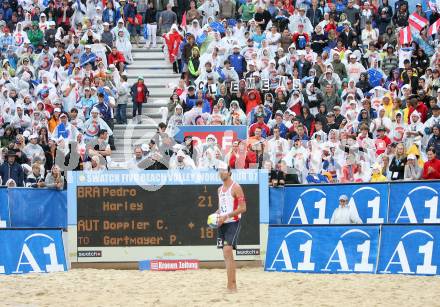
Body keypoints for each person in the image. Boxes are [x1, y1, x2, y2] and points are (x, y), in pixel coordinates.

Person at [216, 163, 246, 292]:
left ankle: (232, 285)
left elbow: (243, 208)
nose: (221, 172)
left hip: (233, 222)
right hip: (222, 223)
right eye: (219, 170)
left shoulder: (236, 187)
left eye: (223, 170)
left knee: (228, 250)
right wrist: (216, 215)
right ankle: (230, 285)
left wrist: (226, 215)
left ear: (229, 172)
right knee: (226, 254)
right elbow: (221, 208)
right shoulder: (219, 189)